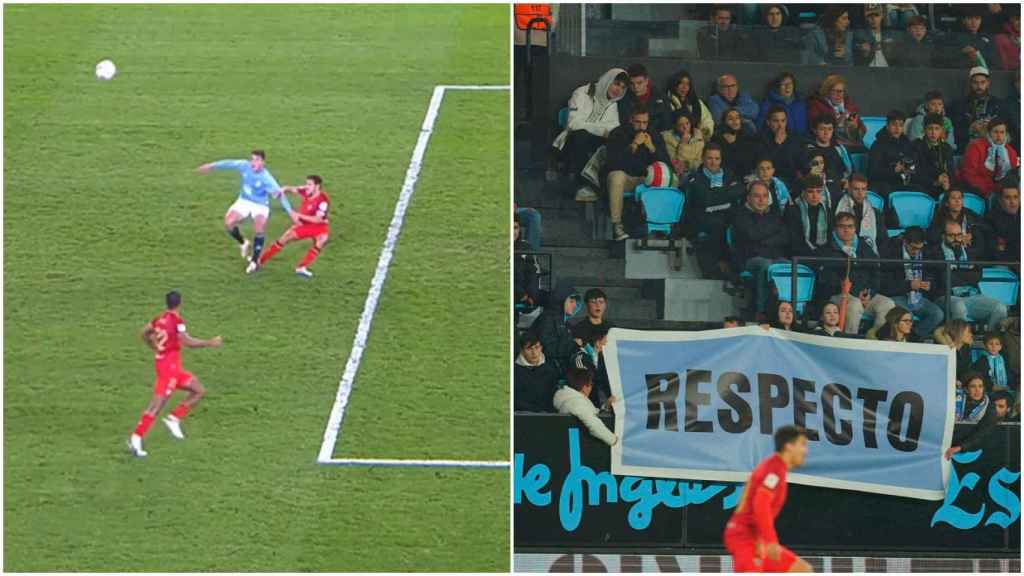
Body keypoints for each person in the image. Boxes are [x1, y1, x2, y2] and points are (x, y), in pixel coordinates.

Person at [128, 291, 222, 457]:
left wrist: (154, 346)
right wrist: (209, 342)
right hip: (168, 370)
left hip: (171, 367)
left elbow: (144, 333)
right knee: (156, 406)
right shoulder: (177, 321)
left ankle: (174, 418)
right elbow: (187, 342)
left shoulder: (159, 318)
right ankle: (136, 438)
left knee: (198, 390)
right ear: (180, 303)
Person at [723, 425, 813, 573]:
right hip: (743, 537)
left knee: (802, 570)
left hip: (754, 536)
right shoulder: (774, 470)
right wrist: (770, 541)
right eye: (802, 444)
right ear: (789, 446)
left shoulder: (776, 468)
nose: (806, 451)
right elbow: (761, 504)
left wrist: (761, 538)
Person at [196, 150, 297, 268]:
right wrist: (211, 165)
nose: (253, 162)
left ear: (263, 162)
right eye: (252, 159)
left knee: (259, 228)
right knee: (228, 223)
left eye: (257, 160)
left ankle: (254, 261)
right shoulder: (244, 165)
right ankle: (243, 243)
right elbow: (229, 163)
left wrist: (290, 212)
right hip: (244, 201)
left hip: (260, 205)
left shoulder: (267, 178)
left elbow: (280, 195)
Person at [552, 68, 628, 199]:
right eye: (616, 84)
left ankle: (606, 187)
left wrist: (598, 129)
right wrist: (601, 129)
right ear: (607, 80)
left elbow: (614, 128)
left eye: (623, 87)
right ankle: (583, 185)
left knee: (617, 138)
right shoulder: (582, 93)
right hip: (570, 141)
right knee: (581, 135)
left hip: (594, 142)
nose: (618, 90)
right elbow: (573, 124)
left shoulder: (613, 104)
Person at [927, 219, 1009, 332]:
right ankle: (960, 346)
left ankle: (990, 345)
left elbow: (977, 276)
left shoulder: (969, 252)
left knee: (1000, 308)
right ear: (943, 236)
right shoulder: (934, 253)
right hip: (945, 296)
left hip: (971, 295)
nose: (956, 239)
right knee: (959, 306)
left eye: (959, 235)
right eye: (951, 235)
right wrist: (966, 274)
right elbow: (944, 280)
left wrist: (956, 273)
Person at [821, 212, 895, 335]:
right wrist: (856, 293)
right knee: (854, 304)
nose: (846, 230)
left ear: (855, 228)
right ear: (835, 228)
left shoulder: (864, 246)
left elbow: (876, 272)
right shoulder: (828, 249)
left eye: (850, 226)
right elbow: (829, 280)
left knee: (888, 304)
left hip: (866, 295)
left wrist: (870, 293)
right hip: (840, 295)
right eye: (842, 226)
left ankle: (874, 338)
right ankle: (850, 341)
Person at [605, 104, 671, 241]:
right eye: (638, 122)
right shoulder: (617, 133)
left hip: (645, 179)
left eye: (645, 122)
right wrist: (634, 145)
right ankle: (617, 224)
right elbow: (613, 164)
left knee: (671, 178)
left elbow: (666, 163)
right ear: (630, 120)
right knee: (617, 176)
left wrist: (652, 148)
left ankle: (663, 224)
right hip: (626, 179)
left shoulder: (653, 135)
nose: (642, 126)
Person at [247, 175, 330, 278]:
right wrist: (283, 190)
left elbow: (318, 219)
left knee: (321, 240)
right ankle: (259, 261)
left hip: (319, 226)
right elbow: (292, 189)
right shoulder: (306, 191)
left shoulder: (323, 200)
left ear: (317, 186)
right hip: (303, 224)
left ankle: (301, 267)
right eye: (306, 183)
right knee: (284, 239)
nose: (306, 186)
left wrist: (298, 215)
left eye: (309, 184)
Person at [682, 143, 745, 279]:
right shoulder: (695, 177)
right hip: (702, 219)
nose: (713, 162)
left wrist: (715, 194)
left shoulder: (728, 173)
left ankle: (740, 269)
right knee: (717, 225)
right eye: (709, 158)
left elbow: (740, 190)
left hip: (728, 215)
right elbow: (704, 199)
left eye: (717, 159)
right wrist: (727, 193)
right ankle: (720, 267)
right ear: (703, 159)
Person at [731, 181, 790, 317]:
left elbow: (785, 237)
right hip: (749, 259)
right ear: (748, 198)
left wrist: (763, 239)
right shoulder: (740, 215)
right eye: (757, 196)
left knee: (789, 267)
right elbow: (752, 235)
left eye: (764, 196)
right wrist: (772, 234)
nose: (761, 200)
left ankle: (789, 310)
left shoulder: (774, 215)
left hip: (774, 257)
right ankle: (761, 311)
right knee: (766, 265)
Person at [879, 226, 945, 339]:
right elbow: (884, 285)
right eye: (914, 248)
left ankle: (912, 338)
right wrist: (908, 285)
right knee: (907, 315)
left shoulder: (927, 252)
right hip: (897, 295)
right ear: (905, 241)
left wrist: (929, 284)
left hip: (918, 296)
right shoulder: (889, 251)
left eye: (920, 248)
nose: (916, 252)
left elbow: (936, 276)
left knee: (937, 314)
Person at [553, 368, 617, 447]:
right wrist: (614, 440)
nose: (591, 388)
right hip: (578, 445)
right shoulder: (576, 402)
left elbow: (593, 413)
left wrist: (606, 406)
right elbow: (593, 424)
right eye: (590, 385)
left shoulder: (571, 397)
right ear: (584, 387)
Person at [946, 373, 1004, 460]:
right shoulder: (955, 400)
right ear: (966, 389)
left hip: (970, 453)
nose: (977, 390)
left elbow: (983, 432)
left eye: (980, 386)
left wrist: (961, 447)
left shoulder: (989, 407)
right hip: (947, 445)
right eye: (973, 386)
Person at [958, 117, 1020, 198]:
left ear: (1006, 134)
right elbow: (969, 174)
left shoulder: (1011, 152)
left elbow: (1012, 176)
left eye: (1002, 132)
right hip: (975, 189)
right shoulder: (976, 146)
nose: (999, 136)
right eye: (995, 132)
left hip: (1001, 191)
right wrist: (991, 190)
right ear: (989, 133)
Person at [949, 66, 1005, 153]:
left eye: (982, 82)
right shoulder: (959, 104)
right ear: (970, 83)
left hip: (993, 147)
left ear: (988, 83)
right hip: (967, 147)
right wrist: (971, 128)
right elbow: (953, 130)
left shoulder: (998, 104)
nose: (979, 86)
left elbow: (1006, 128)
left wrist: (990, 126)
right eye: (975, 83)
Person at [530, 283, 582, 373]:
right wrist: (573, 345)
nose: (574, 305)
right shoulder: (548, 318)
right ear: (561, 300)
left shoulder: (564, 323)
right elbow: (546, 348)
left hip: (557, 370)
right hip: (544, 372)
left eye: (575, 302)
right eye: (571, 301)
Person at [807, 75, 866, 150]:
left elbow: (863, 130)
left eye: (841, 91)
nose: (839, 95)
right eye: (835, 91)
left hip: (854, 145)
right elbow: (816, 130)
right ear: (827, 92)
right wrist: (838, 122)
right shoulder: (817, 105)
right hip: (832, 145)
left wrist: (855, 128)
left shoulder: (849, 105)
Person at [867, 110, 916, 197]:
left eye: (900, 125)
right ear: (887, 126)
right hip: (885, 183)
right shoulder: (878, 145)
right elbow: (873, 173)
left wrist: (909, 169)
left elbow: (913, 163)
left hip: (902, 181)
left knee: (919, 189)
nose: (897, 128)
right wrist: (893, 170)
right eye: (894, 124)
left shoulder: (907, 143)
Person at [656, 69, 715, 139]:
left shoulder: (696, 102)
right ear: (674, 85)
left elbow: (707, 120)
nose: (684, 87)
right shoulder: (666, 102)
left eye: (687, 84)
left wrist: (703, 133)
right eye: (681, 83)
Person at [757, 106, 806, 187]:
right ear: (768, 122)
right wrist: (777, 144)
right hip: (772, 181)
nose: (780, 125)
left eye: (783, 121)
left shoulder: (795, 138)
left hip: (794, 181)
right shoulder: (761, 140)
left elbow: (802, 162)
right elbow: (766, 166)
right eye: (776, 121)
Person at [910, 113, 957, 198]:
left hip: (943, 186)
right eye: (930, 128)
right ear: (924, 130)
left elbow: (951, 171)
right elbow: (914, 173)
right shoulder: (915, 146)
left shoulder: (947, 148)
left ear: (941, 130)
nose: (933, 132)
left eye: (937, 129)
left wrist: (947, 181)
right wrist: (934, 182)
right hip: (924, 186)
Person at [834, 173, 886, 250]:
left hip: (867, 255)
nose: (860, 193)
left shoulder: (875, 213)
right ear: (849, 189)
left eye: (863, 189)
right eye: (856, 189)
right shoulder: (836, 207)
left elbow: (882, 240)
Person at [803, 118, 850, 201]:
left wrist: (846, 181)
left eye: (829, 129)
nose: (826, 133)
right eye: (822, 129)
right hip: (818, 189)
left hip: (840, 188)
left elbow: (848, 171)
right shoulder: (809, 150)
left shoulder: (839, 149)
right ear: (815, 130)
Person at [785, 176, 833, 257]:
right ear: (803, 193)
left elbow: (830, 238)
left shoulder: (826, 210)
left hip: (822, 252)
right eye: (810, 192)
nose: (815, 196)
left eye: (818, 192)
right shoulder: (793, 210)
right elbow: (795, 241)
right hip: (799, 254)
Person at [937, 6, 998, 70]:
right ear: (963, 20)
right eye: (970, 18)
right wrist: (961, 52)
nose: (974, 22)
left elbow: (995, 62)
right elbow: (942, 58)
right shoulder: (953, 37)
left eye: (977, 18)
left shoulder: (987, 38)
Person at [513, 333, 560, 413]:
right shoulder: (514, 371)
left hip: (546, 415)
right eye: (529, 348)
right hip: (521, 415)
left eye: (537, 347)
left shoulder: (550, 370)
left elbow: (554, 397)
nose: (534, 352)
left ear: (541, 348)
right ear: (522, 350)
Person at [711, 108, 759, 177]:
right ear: (724, 122)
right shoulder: (716, 140)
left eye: (737, 118)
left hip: (746, 177)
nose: (735, 121)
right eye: (730, 119)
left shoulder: (747, 138)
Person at [661, 111, 705, 181]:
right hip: (679, 174)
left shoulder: (698, 136)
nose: (685, 127)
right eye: (681, 125)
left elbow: (700, 160)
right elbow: (676, 163)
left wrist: (688, 164)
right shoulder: (668, 138)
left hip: (697, 171)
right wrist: (683, 144)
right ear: (675, 126)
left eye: (687, 123)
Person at [986, 181, 1021, 263]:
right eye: (1008, 198)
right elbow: (996, 251)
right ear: (1000, 200)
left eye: (1015, 197)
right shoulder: (990, 219)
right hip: (1010, 263)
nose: (1012, 202)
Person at [514, 214, 542, 309]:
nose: (513, 232)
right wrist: (521, 294)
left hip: (525, 298)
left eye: (515, 228)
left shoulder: (525, 247)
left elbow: (533, 272)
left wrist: (531, 295)